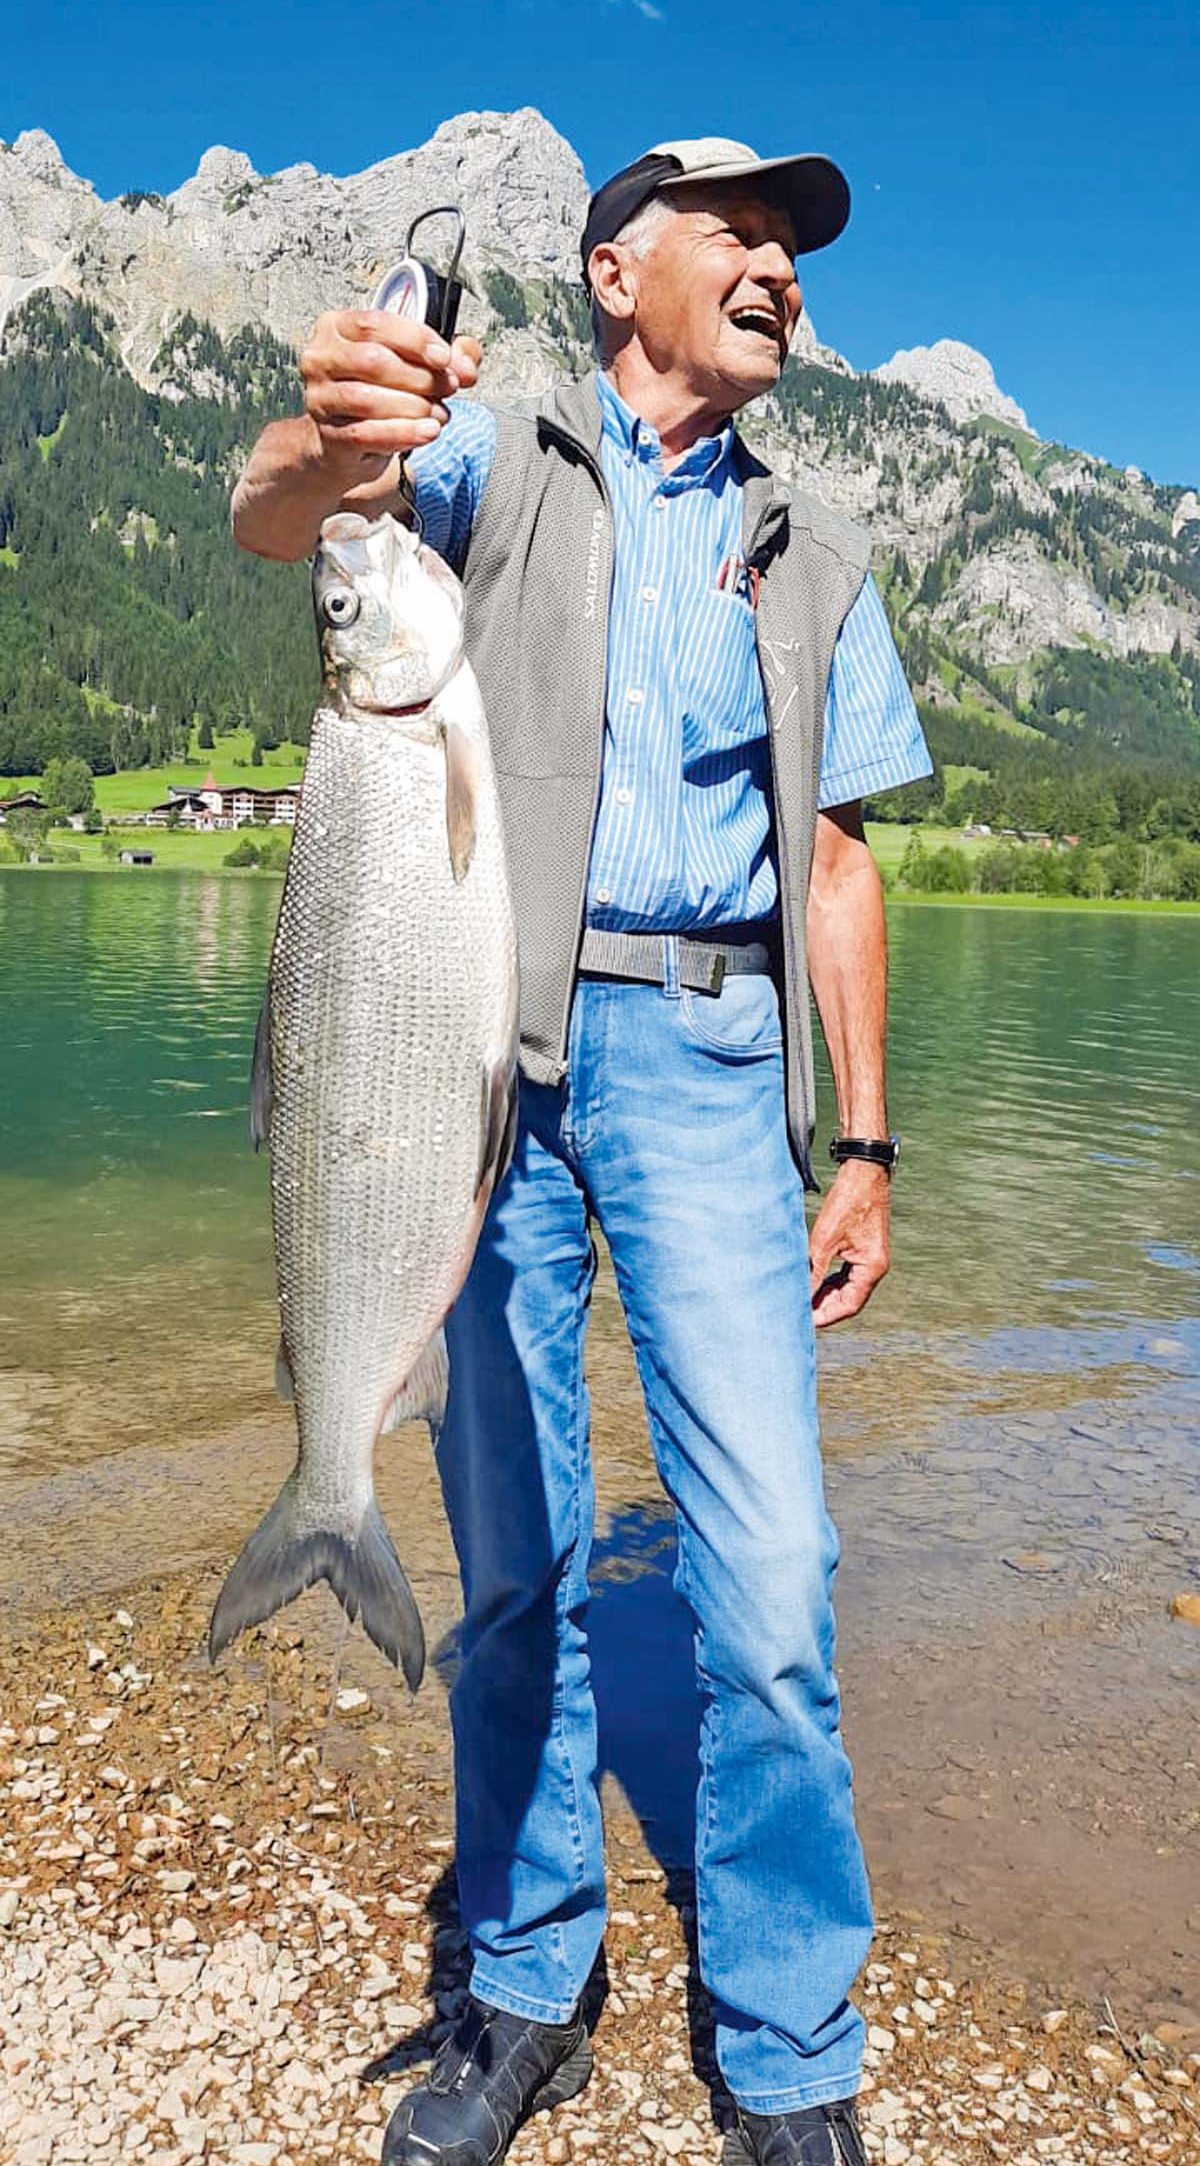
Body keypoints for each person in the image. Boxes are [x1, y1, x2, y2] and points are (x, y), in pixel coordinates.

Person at [232, 136, 933, 2166]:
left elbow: (837, 857)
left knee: (776, 1588)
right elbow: (305, 525)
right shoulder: (499, 464)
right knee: (519, 1566)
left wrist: (865, 1141)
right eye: (745, 233)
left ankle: (793, 2054)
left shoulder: (816, 548)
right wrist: (325, 418)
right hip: (484, 1067)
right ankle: (527, 1978)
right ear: (617, 273)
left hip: (718, 1065)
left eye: (797, 243)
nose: (781, 268)